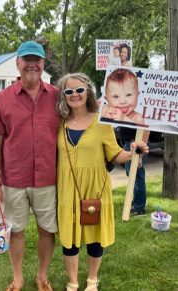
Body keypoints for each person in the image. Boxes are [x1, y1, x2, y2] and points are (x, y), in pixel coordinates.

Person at [56, 72, 149, 291]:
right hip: (67, 189)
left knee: (94, 237)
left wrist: (134, 152)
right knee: (69, 237)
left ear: (88, 91)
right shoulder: (58, 122)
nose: (75, 94)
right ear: (63, 95)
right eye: (69, 91)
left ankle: (91, 280)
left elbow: (115, 155)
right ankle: (72, 282)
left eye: (80, 89)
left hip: (95, 188)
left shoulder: (102, 121)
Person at [0, 40, 60, 291]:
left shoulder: (58, 97)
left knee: (47, 230)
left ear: (43, 64)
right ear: (17, 63)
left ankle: (42, 275)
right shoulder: (0, 100)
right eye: (27, 60)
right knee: (16, 231)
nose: (32, 65)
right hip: (14, 180)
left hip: (48, 179)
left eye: (36, 60)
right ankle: (17, 277)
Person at [119, 127, 149, 216]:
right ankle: (137, 200)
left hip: (135, 145)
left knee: (136, 175)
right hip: (129, 143)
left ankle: (139, 208)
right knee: (131, 173)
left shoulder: (140, 115)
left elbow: (147, 128)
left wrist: (139, 154)